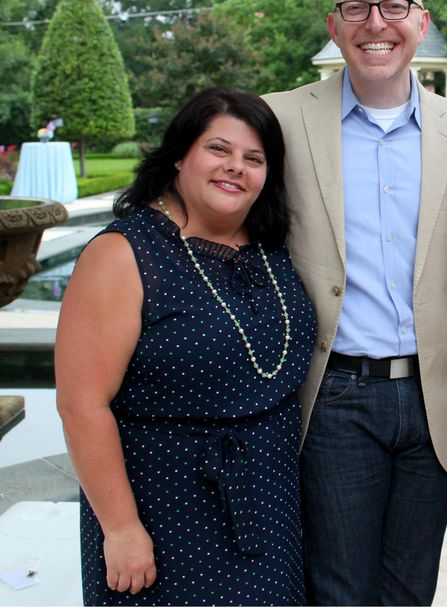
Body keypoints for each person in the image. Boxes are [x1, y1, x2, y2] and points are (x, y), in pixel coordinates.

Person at [263, 0, 447, 606]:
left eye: (394, 6)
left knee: (409, 590)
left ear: (421, 20)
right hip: (335, 398)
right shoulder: (280, 122)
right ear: (334, 24)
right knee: (339, 590)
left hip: (432, 398)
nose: (376, 24)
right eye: (357, 8)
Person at [56, 87, 318, 605]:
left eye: (253, 158)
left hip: (271, 511)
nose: (235, 167)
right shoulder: (124, 254)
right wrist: (121, 527)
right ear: (179, 155)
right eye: (218, 149)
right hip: (165, 514)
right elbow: (81, 403)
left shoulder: (270, 248)